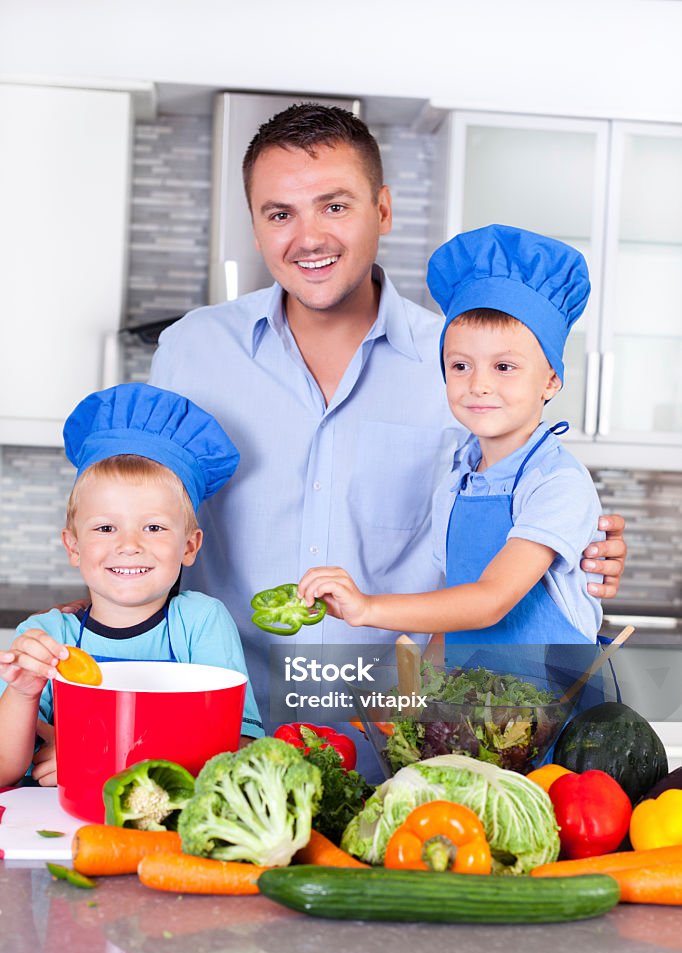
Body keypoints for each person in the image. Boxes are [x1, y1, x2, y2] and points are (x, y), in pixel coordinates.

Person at [147, 105, 626, 773]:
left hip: (406, 752)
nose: (308, 236)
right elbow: (140, 519)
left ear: (383, 210)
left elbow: (513, 525)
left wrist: (580, 555)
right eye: (280, 213)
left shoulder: (462, 362)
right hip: (225, 739)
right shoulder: (192, 352)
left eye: (334, 206)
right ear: (255, 227)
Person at [299, 225, 607, 665]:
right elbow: (455, 606)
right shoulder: (458, 481)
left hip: (553, 707)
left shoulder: (557, 482)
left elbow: (491, 600)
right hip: (479, 710)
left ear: (551, 380)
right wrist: (421, 709)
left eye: (504, 366)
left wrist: (367, 607)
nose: (479, 385)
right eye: (461, 365)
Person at [0, 383, 263, 787]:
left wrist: (101, 758)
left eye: (153, 527)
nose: (128, 545)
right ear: (73, 545)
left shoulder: (200, 623)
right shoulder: (45, 637)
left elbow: (239, 749)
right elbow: (4, 771)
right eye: (106, 527)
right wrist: (22, 694)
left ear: (189, 546)